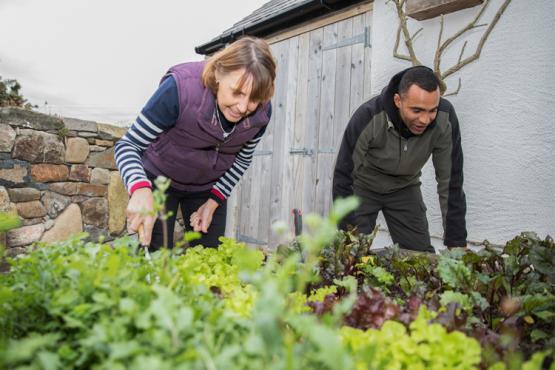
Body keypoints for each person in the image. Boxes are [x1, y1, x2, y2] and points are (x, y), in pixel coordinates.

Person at [114, 36, 276, 249]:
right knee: (154, 256)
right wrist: (139, 188)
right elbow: (128, 146)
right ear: (218, 73)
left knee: (210, 258)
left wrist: (214, 201)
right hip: (159, 181)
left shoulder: (262, 113)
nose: (243, 107)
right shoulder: (178, 89)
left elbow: (243, 160)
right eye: (237, 92)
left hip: (207, 187)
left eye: (254, 99)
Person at [332, 66, 467, 252]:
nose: (425, 120)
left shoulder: (445, 119)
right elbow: (343, 176)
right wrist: (349, 234)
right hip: (363, 187)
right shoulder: (368, 116)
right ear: (398, 100)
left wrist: (456, 243)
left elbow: (450, 181)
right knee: (353, 254)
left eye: (431, 110)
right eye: (417, 110)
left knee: (419, 257)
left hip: (405, 188)